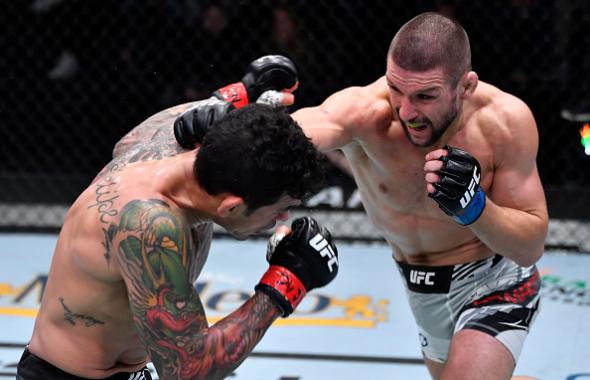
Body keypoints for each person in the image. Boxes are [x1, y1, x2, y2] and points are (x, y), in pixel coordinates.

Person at [17, 56, 339, 380]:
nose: (282, 217)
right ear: (229, 206)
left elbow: (134, 140)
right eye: (277, 209)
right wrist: (287, 280)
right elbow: (188, 370)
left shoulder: (177, 149)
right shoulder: (150, 225)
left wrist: (239, 93)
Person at [291, 12, 549, 380]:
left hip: (494, 281)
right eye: (396, 88)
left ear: (466, 86)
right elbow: (291, 136)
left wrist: (475, 207)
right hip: (420, 287)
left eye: (425, 96)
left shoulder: (504, 123)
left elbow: (530, 246)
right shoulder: (366, 113)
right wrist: (238, 119)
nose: (406, 111)